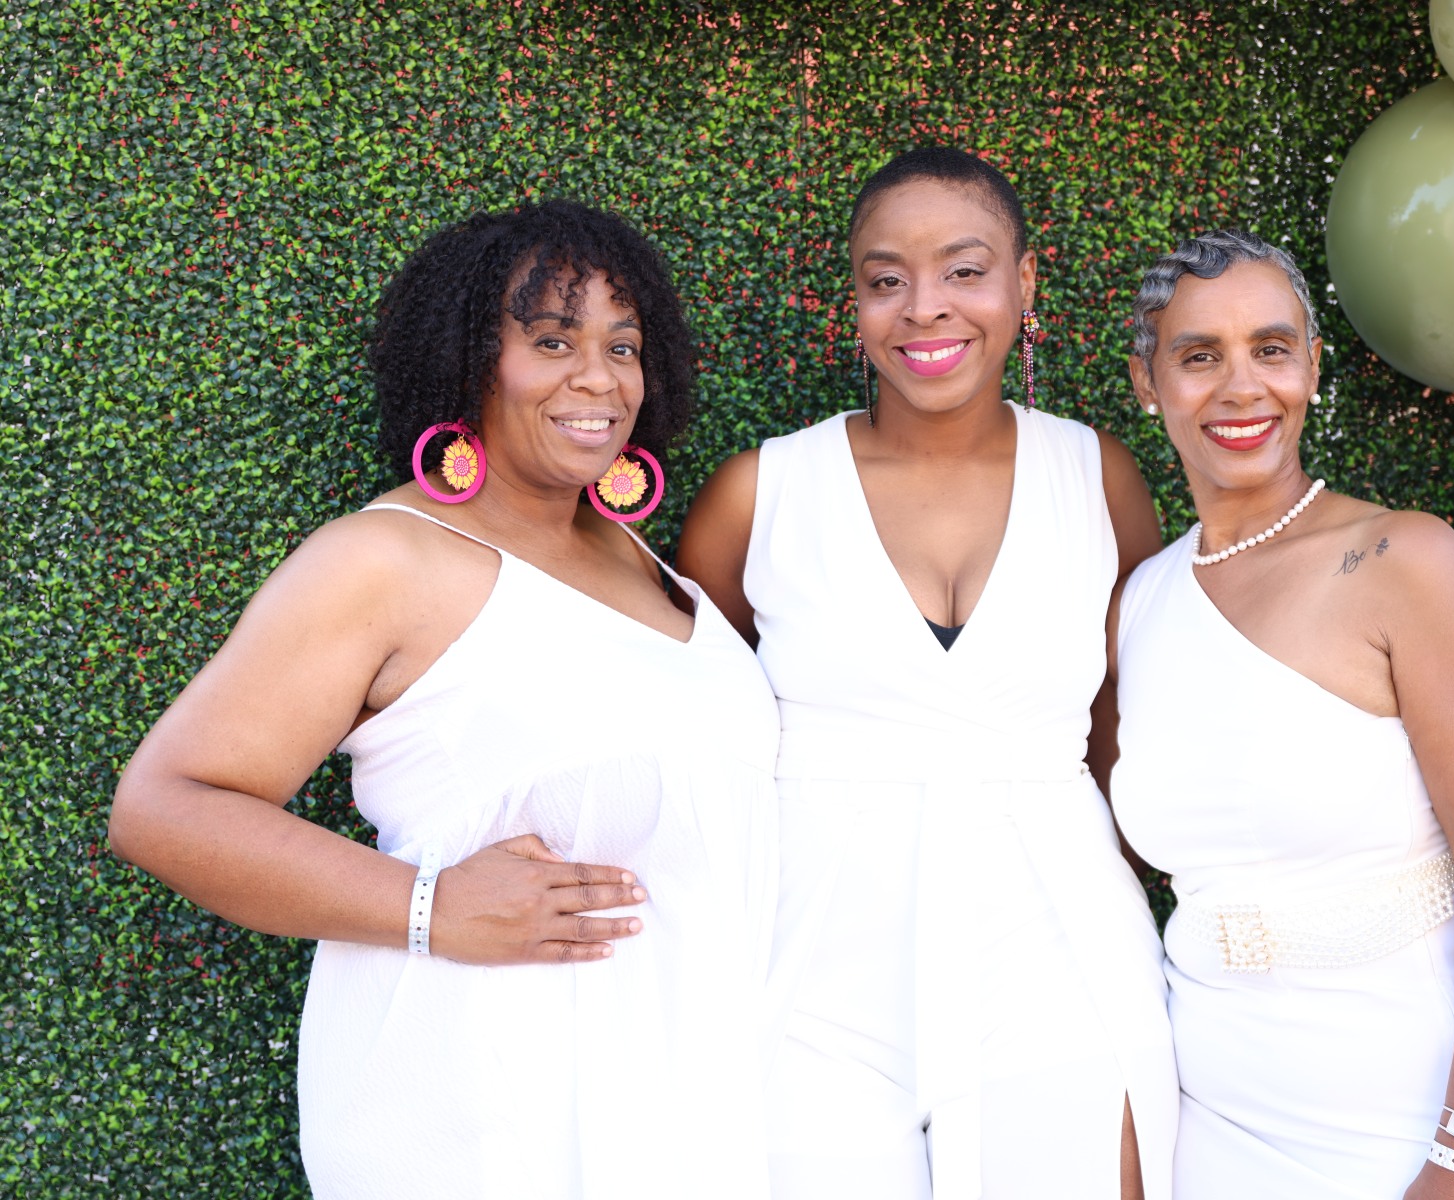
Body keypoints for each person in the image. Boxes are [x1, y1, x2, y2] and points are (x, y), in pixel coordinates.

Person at [107, 200, 780, 1199]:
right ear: (468, 361)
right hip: (491, 1119)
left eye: (622, 346)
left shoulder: (642, 560)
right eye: (551, 340)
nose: (599, 378)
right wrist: (433, 906)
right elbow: (163, 807)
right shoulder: (386, 560)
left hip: (685, 1110)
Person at [677, 146, 1178, 1200]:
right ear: (854, 302)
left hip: (1062, 954)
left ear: (1024, 282)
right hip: (812, 972)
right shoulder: (759, 493)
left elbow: (1126, 718)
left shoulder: (1098, 475)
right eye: (885, 279)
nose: (924, 308)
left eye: (964, 270)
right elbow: (694, 732)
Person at [1109, 229, 1454, 1199]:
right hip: (1206, 1111)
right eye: (1199, 356)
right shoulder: (1139, 602)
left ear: (1312, 368)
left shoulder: (1405, 562)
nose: (1242, 387)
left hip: (1402, 1113)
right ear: (1148, 381)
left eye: (1271, 349)